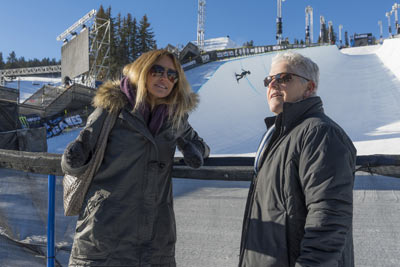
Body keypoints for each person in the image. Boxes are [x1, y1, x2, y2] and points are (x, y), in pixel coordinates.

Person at [61, 49, 210, 266]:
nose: (164, 79)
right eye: (157, 70)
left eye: (172, 75)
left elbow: (201, 145)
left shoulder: (175, 117)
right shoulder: (112, 108)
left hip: (156, 238)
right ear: (141, 70)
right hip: (105, 233)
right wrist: (75, 156)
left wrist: (193, 149)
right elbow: (74, 161)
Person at [239, 52, 356, 267]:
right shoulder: (279, 136)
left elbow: (328, 218)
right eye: (268, 79)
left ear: (309, 88)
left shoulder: (320, 133)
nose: (272, 84)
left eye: (283, 78)